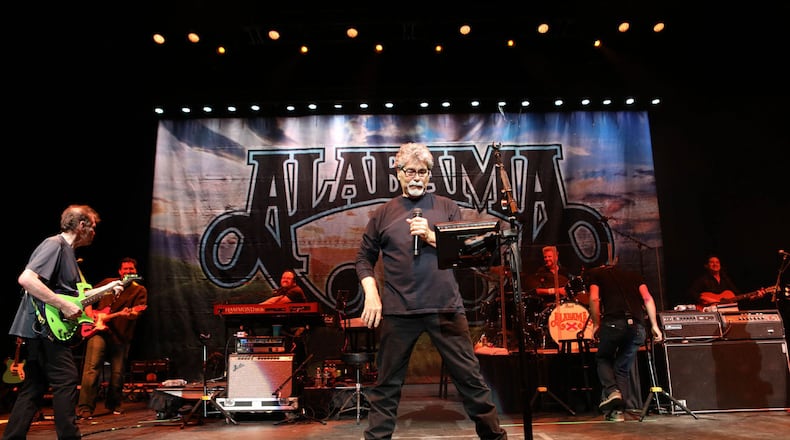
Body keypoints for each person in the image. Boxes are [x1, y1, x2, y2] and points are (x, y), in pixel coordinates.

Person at [355, 142, 507, 440]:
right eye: (410, 171)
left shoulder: (446, 207)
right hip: (400, 310)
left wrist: (430, 235)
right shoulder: (383, 214)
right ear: (398, 173)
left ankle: (494, 438)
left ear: (429, 175)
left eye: (422, 172)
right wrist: (371, 293)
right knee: (386, 386)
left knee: (471, 381)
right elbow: (364, 258)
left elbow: (464, 251)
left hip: (444, 307)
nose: (416, 177)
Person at [4, 205, 124, 440]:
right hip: (45, 328)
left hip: (42, 329)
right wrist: (63, 305)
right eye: (93, 227)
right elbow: (26, 279)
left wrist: (110, 287)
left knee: (34, 387)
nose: (94, 233)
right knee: (66, 380)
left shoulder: (70, 255)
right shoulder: (55, 244)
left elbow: (78, 297)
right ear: (81, 226)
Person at [587, 260, 662, 422]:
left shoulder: (596, 274)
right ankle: (618, 412)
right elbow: (647, 298)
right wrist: (654, 325)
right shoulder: (633, 275)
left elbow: (594, 299)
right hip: (637, 327)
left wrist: (596, 324)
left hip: (614, 323)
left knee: (603, 358)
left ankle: (613, 391)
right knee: (621, 368)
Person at [78, 257, 148, 419]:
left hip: (121, 336)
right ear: (120, 271)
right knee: (91, 368)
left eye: (131, 269)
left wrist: (132, 313)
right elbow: (87, 298)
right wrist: (91, 316)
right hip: (98, 331)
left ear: (135, 272)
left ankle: (113, 404)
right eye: (125, 269)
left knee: (117, 374)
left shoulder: (139, 290)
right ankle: (85, 407)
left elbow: (137, 311)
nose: (128, 272)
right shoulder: (108, 282)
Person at [688, 254, 765, 310]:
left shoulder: (725, 279)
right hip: (709, 311)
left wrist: (754, 296)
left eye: (717, 262)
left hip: (725, 311)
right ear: (706, 266)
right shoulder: (703, 280)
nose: (715, 264)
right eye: (712, 262)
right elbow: (692, 293)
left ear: (720, 265)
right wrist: (709, 300)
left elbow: (738, 296)